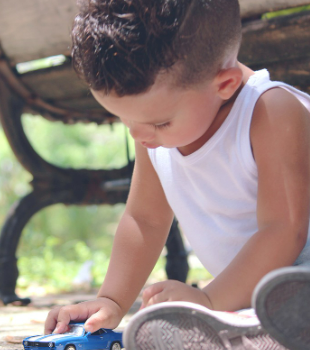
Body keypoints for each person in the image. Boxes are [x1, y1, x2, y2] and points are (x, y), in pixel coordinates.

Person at [45, 0, 310, 348]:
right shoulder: (154, 131)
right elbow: (145, 219)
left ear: (225, 84)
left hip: (294, 283)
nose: (138, 135)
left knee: (287, 301)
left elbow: (283, 230)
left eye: (158, 122)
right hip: (263, 298)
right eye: (125, 119)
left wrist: (210, 301)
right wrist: (110, 300)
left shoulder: (272, 113)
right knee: (264, 315)